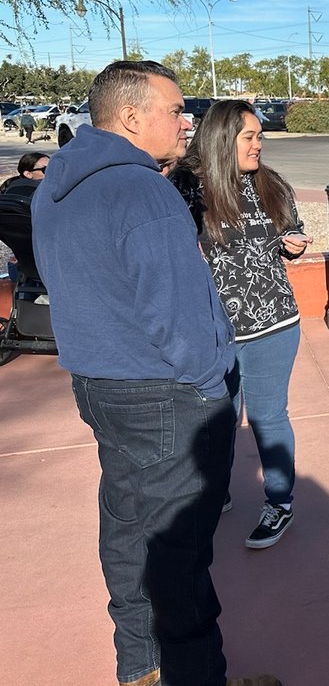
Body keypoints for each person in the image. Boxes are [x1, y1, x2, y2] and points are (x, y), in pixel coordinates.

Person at [31, 61, 276, 686]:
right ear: (132, 117)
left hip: (100, 387)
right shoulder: (143, 191)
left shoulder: (54, 184)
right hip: (166, 396)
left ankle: (140, 671)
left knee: (128, 532)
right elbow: (180, 315)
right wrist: (210, 382)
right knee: (179, 561)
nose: (185, 121)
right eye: (174, 110)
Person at [172, 100, 309, 550]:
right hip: (214, 330)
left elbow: (294, 231)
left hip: (274, 323)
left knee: (269, 416)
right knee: (217, 420)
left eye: (259, 136)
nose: (258, 144)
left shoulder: (271, 185)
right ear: (220, 139)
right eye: (248, 137)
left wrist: (294, 245)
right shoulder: (188, 186)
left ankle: (280, 502)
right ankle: (215, 492)